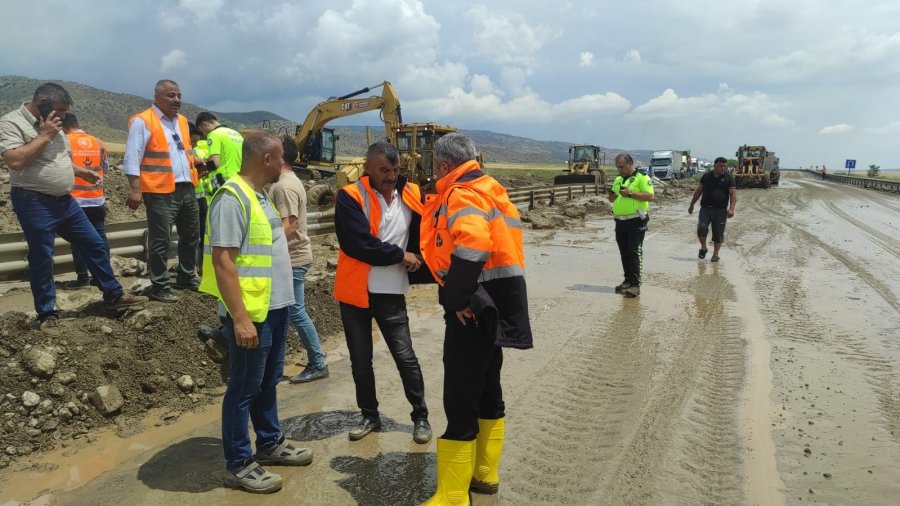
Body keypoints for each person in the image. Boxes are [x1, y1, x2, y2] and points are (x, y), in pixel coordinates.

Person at [420, 132, 533, 503]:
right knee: (487, 388)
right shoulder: (491, 187)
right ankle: (485, 474)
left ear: (444, 165)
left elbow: (473, 245)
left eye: (434, 163)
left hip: (474, 306)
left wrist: (456, 298)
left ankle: (452, 496)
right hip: (497, 304)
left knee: (460, 396)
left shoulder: (461, 193)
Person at [199, 130, 312, 494]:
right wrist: (240, 318)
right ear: (266, 160)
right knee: (244, 388)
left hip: (274, 307)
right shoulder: (232, 198)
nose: (284, 164)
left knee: (267, 381)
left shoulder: (259, 196)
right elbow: (224, 263)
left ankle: (269, 442)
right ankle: (238, 462)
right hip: (252, 313)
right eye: (280, 158)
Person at [0, 83, 147, 330]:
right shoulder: (12, 123)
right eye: (59, 110)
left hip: (66, 201)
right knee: (42, 257)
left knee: (94, 243)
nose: (63, 116)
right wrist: (45, 134)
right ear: (41, 103)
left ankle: (114, 295)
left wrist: (81, 172)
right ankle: (47, 314)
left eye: (66, 111)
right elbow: (15, 160)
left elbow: (60, 160)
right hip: (33, 201)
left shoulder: (55, 125)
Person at [333, 140, 432, 443]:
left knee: (405, 356)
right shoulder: (350, 196)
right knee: (360, 359)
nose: (391, 176)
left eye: (395, 169)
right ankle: (369, 416)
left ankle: (420, 417)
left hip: (391, 291)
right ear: (367, 168)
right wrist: (403, 256)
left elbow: (430, 229)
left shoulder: (412, 193)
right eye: (383, 170)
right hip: (355, 291)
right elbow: (358, 244)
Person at [124, 79, 201, 302]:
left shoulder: (183, 122)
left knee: (191, 235)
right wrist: (135, 189)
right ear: (157, 97)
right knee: (161, 240)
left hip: (186, 187)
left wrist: (196, 164)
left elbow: (183, 151)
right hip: (159, 191)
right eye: (171, 95)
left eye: (178, 95)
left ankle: (186, 276)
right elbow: (132, 157)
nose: (176, 100)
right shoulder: (143, 121)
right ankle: (159, 285)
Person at [269, 136, 328, 383]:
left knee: (295, 312)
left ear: (279, 156)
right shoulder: (284, 182)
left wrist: (261, 247)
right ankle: (276, 371)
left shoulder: (284, 186)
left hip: (292, 257)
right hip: (290, 256)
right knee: (284, 314)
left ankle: (318, 363)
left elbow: (289, 226)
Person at [62, 113, 110, 288]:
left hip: (74, 200)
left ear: (63, 126)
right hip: (96, 198)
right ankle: (103, 276)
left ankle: (83, 278)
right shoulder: (98, 142)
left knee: (78, 239)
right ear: (77, 123)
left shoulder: (64, 142)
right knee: (100, 237)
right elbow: (105, 169)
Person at [607, 153, 655, 298]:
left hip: (636, 220)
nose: (619, 169)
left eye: (621, 166)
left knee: (634, 251)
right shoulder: (618, 179)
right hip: (620, 221)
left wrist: (631, 194)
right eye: (617, 167)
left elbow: (650, 196)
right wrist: (612, 197)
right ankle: (627, 280)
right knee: (624, 251)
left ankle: (635, 285)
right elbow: (612, 197)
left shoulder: (642, 177)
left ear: (630, 164)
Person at [688, 156, 736, 262]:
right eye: (721, 166)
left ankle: (715, 254)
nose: (723, 168)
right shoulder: (706, 176)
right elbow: (698, 191)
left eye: (725, 166)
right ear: (715, 166)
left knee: (718, 233)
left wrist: (731, 208)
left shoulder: (729, 178)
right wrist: (691, 205)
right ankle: (704, 247)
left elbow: (733, 194)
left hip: (720, 211)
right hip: (705, 209)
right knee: (702, 228)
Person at [196, 111, 243, 200]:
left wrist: (203, 168)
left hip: (224, 180)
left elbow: (215, 162)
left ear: (204, 125)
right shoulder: (237, 134)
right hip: (241, 180)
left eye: (202, 131)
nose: (204, 134)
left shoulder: (214, 134)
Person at [189, 122, 210, 272]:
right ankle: (196, 266)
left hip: (199, 196)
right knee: (195, 234)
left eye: (196, 141)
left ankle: (199, 267)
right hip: (194, 197)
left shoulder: (193, 152)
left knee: (200, 233)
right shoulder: (202, 150)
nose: (195, 144)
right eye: (193, 141)